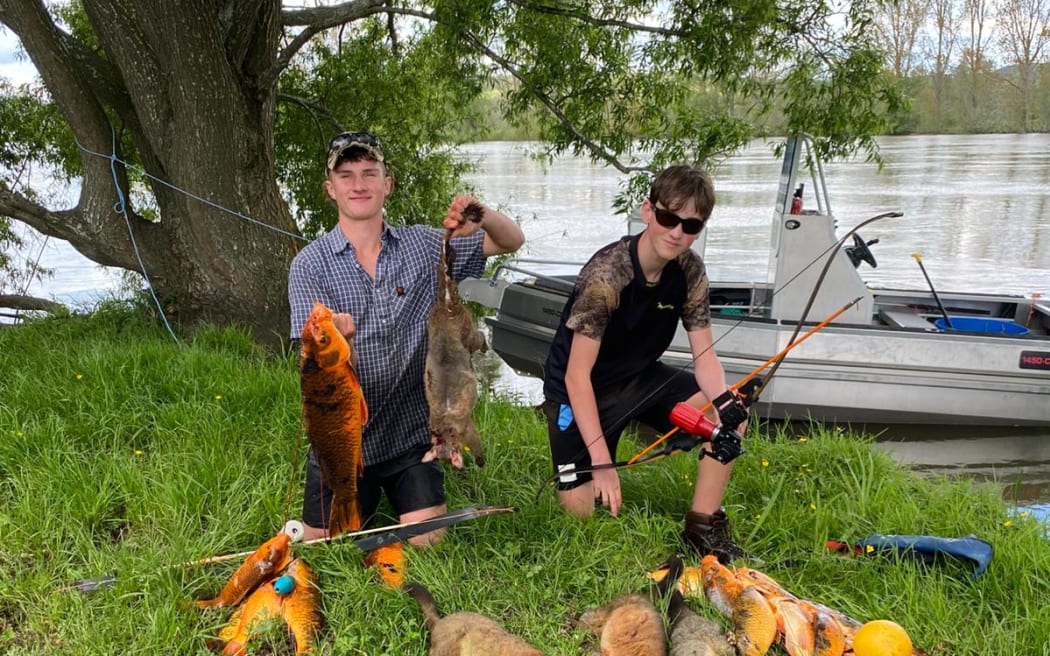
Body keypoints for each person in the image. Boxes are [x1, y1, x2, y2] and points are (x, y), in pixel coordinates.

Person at [288, 131, 525, 545]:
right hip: (345, 438)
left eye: (369, 173)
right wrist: (336, 349)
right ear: (331, 189)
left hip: (410, 437)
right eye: (346, 175)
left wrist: (480, 213)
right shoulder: (309, 265)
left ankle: (405, 496)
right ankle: (346, 498)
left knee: (429, 544)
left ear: (387, 183)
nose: (359, 184)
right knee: (320, 548)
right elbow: (311, 370)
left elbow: (510, 241)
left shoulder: (423, 245)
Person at [541, 164, 746, 563]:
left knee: (732, 417)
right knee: (580, 519)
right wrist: (601, 463)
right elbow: (576, 375)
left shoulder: (690, 271)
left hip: (639, 382)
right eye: (669, 217)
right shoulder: (607, 275)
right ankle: (595, 455)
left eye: (690, 225)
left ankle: (701, 528)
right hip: (579, 392)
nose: (676, 232)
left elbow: (705, 356)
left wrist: (724, 401)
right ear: (648, 211)